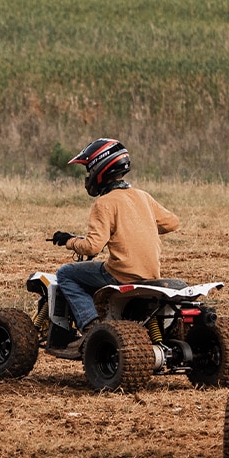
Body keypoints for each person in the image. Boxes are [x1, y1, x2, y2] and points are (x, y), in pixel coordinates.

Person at [47, 138, 180, 349]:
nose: (88, 177)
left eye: (89, 171)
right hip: (151, 273)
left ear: (101, 169)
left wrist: (70, 241)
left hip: (120, 274)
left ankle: (91, 326)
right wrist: (138, 227)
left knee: (65, 273)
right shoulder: (142, 196)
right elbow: (173, 222)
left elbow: (92, 247)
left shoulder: (104, 203)